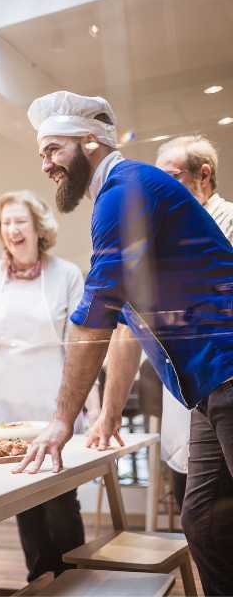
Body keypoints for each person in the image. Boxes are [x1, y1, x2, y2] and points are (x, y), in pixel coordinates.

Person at [16, 90, 233, 596]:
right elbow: (123, 323)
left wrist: (62, 420)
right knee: (203, 518)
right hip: (208, 388)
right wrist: (107, 413)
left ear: (90, 142)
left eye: (52, 150)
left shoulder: (125, 191)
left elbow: (96, 314)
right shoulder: (124, 191)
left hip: (228, 372)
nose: (45, 164)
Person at [0, 190, 94, 580]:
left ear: (38, 228)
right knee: (21, 496)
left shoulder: (66, 274)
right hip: (1, 405)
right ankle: (39, 578)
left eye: (21, 221)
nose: (13, 230)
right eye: (6, 223)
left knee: (59, 496)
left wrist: (94, 406)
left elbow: (80, 345)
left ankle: (75, 579)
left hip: (53, 401)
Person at [102, 135, 232, 510]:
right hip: (188, 405)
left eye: (171, 178)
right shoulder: (156, 245)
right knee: (198, 515)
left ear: (203, 175)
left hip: (226, 388)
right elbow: (127, 330)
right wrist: (110, 415)